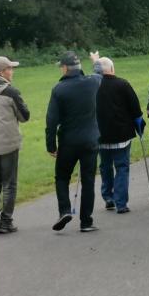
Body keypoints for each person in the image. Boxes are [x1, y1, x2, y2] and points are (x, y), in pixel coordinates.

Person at [46, 51, 103, 232]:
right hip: (90, 140)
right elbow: (99, 72)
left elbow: (51, 121)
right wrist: (96, 60)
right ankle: (86, 222)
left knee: (62, 177)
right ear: (78, 67)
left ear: (64, 68)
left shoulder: (59, 89)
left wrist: (51, 145)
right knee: (88, 181)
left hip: (68, 141)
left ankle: (64, 210)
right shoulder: (92, 83)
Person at [95, 57, 144, 214]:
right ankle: (121, 203)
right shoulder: (123, 84)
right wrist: (140, 128)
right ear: (112, 68)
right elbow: (136, 110)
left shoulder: (92, 86)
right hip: (122, 135)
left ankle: (108, 197)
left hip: (100, 135)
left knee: (105, 166)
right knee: (122, 167)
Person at [0, 56, 30, 234]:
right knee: (9, 183)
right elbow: (25, 116)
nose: (12, 71)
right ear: (2, 72)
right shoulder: (10, 92)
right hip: (8, 144)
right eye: (10, 68)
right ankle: (6, 221)